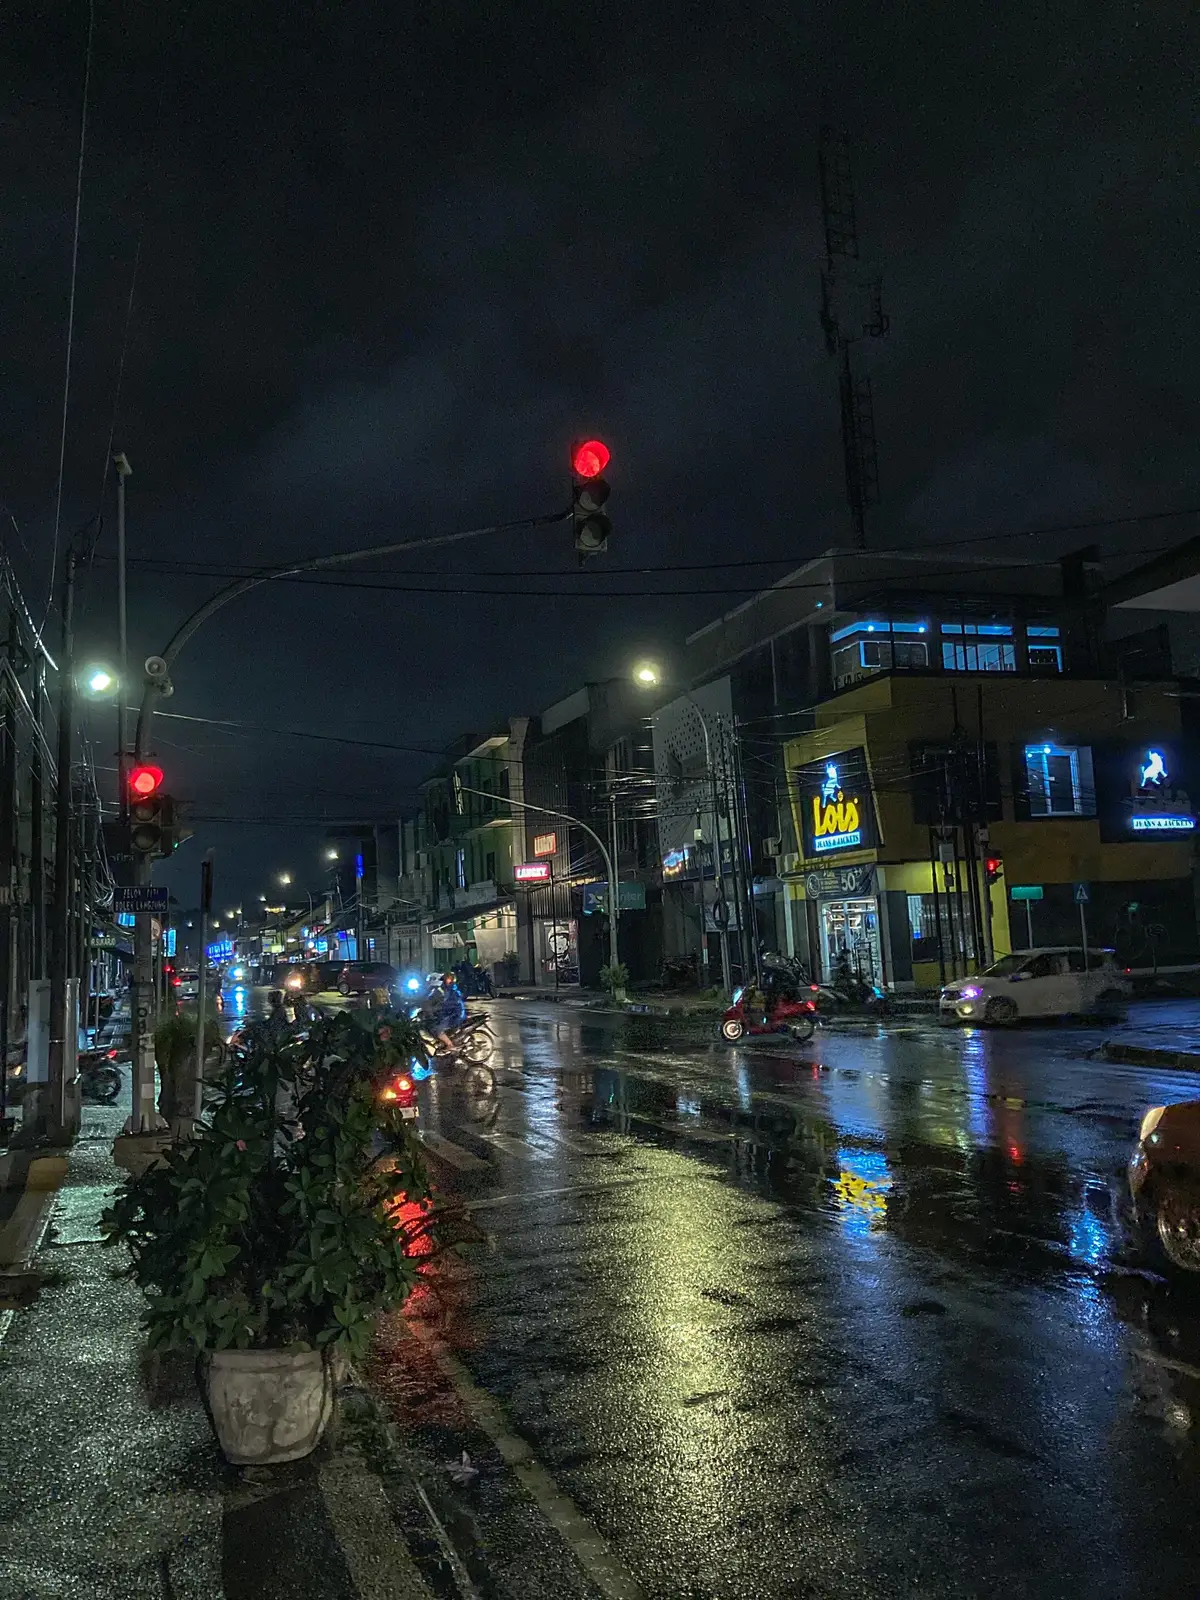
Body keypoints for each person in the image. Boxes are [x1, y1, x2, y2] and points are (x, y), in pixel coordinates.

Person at [431, 972, 466, 1056]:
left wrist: (438, 1008)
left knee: (438, 1030)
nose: (446, 980)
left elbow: (448, 1003)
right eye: (446, 978)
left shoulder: (452, 990)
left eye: (448, 979)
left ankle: (450, 1045)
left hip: (455, 1014)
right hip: (451, 1013)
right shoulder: (447, 988)